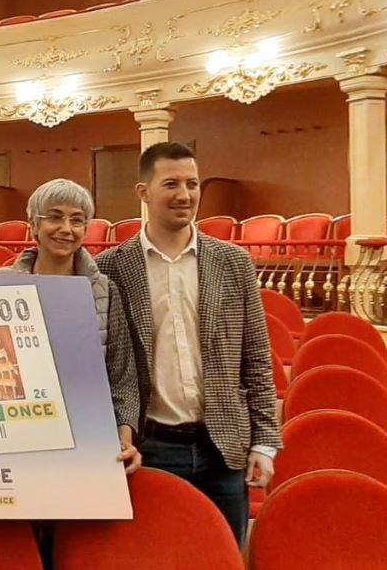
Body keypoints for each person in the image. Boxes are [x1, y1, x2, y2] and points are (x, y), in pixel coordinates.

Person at [95, 141, 280, 546]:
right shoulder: (112, 267)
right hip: (152, 447)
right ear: (143, 192)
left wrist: (265, 441)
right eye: (172, 184)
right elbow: (109, 366)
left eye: (193, 184)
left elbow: (257, 356)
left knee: (224, 555)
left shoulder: (233, 262)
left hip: (223, 448)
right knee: (158, 555)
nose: (185, 195)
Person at [1, 178, 141, 474]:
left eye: (77, 220)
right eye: (54, 217)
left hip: (87, 434)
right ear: (33, 225)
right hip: (16, 435)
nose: (66, 229)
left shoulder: (106, 290)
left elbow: (122, 374)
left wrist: (123, 435)